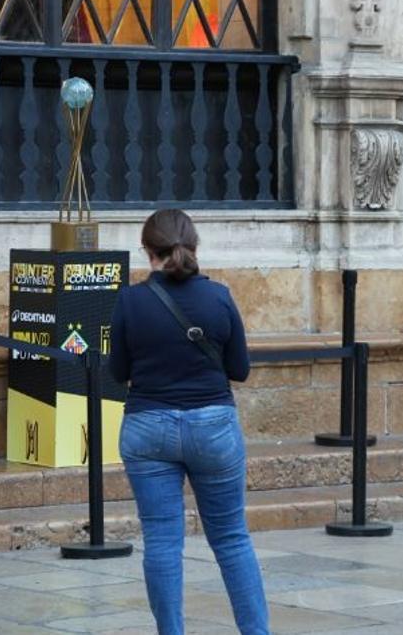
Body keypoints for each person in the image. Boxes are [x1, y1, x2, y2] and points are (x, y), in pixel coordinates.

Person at [109, 209, 268, 635]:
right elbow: (240, 369)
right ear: (194, 247)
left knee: (162, 541)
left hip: (147, 427)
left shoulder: (129, 301)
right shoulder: (219, 297)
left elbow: (116, 371)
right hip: (212, 426)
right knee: (232, 538)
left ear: (147, 251)